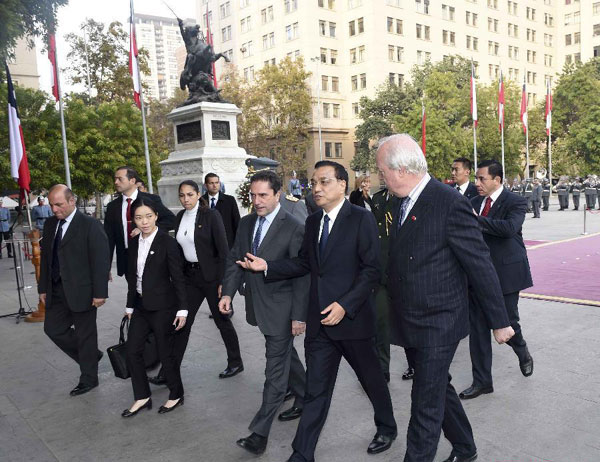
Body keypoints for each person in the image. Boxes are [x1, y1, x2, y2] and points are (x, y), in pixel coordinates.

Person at [239, 160, 398, 461]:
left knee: (372, 381)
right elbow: (304, 264)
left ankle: (387, 427)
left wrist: (345, 305)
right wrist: (268, 266)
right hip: (320, 324)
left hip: (353, 322)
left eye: (324, 181)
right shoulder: (313, 222)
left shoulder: (361, 219)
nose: (317, 188)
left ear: (342, 184)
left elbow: (371, 271)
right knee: (316, 391)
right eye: (314, 183)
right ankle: (302, 453)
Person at [376, 135, 514, 462]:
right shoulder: (400, 200)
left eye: (382, 170)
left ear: (401, 169)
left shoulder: (448, 202)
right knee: (437, 386)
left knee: (425, 402)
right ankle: (465, 448)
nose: (380, 177)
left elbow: (479, 263)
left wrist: (500, 322)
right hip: (410, 317)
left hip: (439, 320)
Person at [219, 170, 309, 455]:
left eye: (263, 196)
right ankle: (307, 395)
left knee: (275, 371)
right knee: (284, 357)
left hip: (283, 310)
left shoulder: (294, 227)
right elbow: (236, 259)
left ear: (277, 195)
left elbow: (302, 275)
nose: (256, 201)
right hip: (258, 306)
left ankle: (259, 433)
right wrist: (227, 293)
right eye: (253, 195)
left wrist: (299, 316)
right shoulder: (246, 224)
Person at [148, 180, 243, 384]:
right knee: (182, 322)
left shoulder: (211, 216)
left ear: (198, 194)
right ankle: (168, 370)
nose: (185, 199)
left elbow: (223, 251)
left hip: (211, 277)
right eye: (182, 195)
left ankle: (235, 361)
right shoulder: (180, 217)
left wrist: (223, 283)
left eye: (190, 195)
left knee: (221, 320)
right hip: (190, 278)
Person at [460, 159, 534, 401]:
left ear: (497, 180)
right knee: (478, 328)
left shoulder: (515, 201)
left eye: (482, 179)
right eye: (476, 178)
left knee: (507, 321)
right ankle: (482, 382)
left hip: (506, 273)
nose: (477, 183)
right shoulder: (473, 202)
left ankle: (522, 351)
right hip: (478, 274)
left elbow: (509, 228)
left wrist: (476, 220)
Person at [39, 185, 110, 396]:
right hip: (56, 289)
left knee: (85, 335)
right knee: (53, 329)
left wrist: (100, 292)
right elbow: (46, 258)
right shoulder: (51, 224)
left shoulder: (90, 225)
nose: (54, 209)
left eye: (58, 204)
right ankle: (90, 355)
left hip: (83, 290)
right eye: (51, 204)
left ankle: (89, 378)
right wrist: (43, 287)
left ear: (72, 201)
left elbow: (100, 260)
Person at [122, 198, 188, 418]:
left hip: (164, 307)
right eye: (139, 218)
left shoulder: (167, 243)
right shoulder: (133, 243)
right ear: (133, 220)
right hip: (141, 306)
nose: (144, 222)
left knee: (165, 353)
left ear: (156, 216)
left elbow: (178, 278)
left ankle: (176, 394)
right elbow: (134, 278)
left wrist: (183, 309)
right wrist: (130, 306)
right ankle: (142, 396)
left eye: (148, 216)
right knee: (132, 351)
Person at [371, 184, 414, 382]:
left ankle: (416, 363)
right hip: (381, 270)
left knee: (409, 321)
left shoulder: (406, 198)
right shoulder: (378, 198)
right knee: (381, 322)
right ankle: (381, 369)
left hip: (403, 270)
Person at [104, 166, 175, 278]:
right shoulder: (112, 207)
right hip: (128, 259)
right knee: (133, 293)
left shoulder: (151, 200)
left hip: (151, 254)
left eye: (120, 179)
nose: (116, 182)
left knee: (152, 292)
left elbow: (171, 220)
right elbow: (109, 238)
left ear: (132, 181)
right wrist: (105, 267)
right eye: (115, 179)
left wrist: (147, 230)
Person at [202, 173, 240, 249]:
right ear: (206, 185)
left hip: (227, 243)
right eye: (211, 183)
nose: (215, 185)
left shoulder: (229, 200)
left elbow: (237, 222)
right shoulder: (200, 201)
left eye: (217, 183)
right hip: (207, 245)